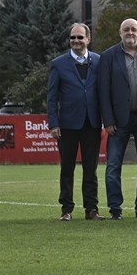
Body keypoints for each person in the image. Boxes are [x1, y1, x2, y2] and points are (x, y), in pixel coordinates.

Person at [96, 18, 137, 219]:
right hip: (118, 120)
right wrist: (108, 120)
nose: (130, 32)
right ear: (120, 33)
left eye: (134, 29)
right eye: (126, 30)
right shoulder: (108, 56)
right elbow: (103, 91)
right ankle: (115, 208)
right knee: (113, 165)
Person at [48, 23, 102, 221]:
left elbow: (103, 92)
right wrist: (53, 123)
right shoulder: (58, 64)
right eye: (73, 38)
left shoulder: (99, 61)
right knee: (67, 168)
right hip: (67, 125)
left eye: (80, 37)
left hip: (92, 123)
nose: (76, 41)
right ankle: (66, 209)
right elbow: (52, 97)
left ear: (88, 39)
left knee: (91, 169)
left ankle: (91, 209)